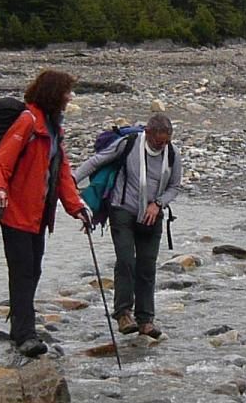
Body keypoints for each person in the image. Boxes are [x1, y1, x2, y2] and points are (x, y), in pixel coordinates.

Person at [0, 69, 89, 357]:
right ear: (54, 94)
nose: (70, 97)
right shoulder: (28, 122)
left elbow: (61, 172)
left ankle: (21, 327)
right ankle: (25, 335)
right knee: (23, 273)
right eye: (67, 92)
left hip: (38, 215)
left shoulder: (53, 127)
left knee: (33, 270)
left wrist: (77, 207)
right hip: (15, 211)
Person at [74, 114, 182, 339]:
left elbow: (174, 186)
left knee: (147, 267)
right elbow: (97, 161)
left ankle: (145, 320)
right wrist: (71, 181)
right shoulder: (129, 144)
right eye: (158, 141)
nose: (162, 145)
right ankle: (123, 313)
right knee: (125, 261)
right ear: (148, 133)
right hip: (122, 210)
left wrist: (159, 203)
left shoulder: (172, 154)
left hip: (152, 215)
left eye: (166, 141)